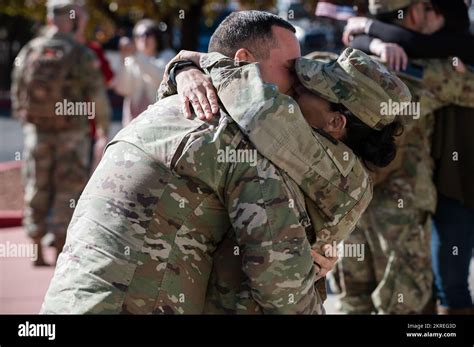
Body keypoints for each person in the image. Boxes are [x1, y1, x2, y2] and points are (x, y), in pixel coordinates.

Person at [40, 11, 408, 314]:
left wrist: (185, 65)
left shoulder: (174, 107)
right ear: (245, 64)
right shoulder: (237, 136)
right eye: (292, 70)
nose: (297, 85)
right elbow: (279, 289)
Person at [333, 0, 474, 314]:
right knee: (405, 302)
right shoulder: (421, 70)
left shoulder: (342, 64)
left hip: (348, 200)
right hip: (399, 201)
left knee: (353, 299)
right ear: (414, 12)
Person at [10, 0, 111, 266]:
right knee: (68, 188)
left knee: (37, 185)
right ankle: (57, 248)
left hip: (37, 132)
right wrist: (102, 127)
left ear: (49, 18)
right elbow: (97, 95)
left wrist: (28, 121)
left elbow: (17, 90)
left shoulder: (31, 49)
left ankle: (35, 248)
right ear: (70, 19)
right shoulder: (79, 53)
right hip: (72, 133)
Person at [113, 19, 175, 126]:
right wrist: (123, 59)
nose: (143, 38)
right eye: (138, 35)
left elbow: (160, 76)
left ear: (156, 37)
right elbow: (122, 89)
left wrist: (136, 54)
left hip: (160, 123)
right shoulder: (131, 60)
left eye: (147, 34)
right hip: (133, 126)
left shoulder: (167, 55)